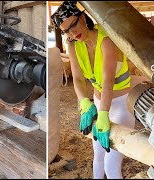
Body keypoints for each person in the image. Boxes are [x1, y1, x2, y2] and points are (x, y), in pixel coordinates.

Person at [51, 1, 135, 179]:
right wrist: (84, 102)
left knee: (110, 166)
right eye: (66, 30)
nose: (72, 33)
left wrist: (103, 114)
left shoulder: (106, 41)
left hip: (120, 107)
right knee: (97, 158)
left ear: (82, 16)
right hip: (98, 102)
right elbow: (79, 78)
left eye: (73, 25)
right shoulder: (74, 44)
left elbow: (108, 80)